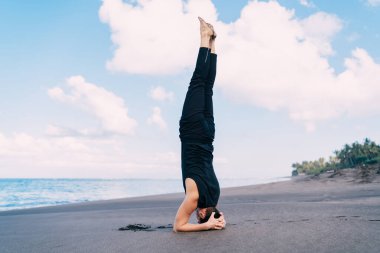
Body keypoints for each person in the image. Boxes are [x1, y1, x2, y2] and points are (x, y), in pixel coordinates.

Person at [173, 17, 226, 232]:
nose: (194, 213)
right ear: (202, 213)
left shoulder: (215, 193)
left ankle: (212, 43)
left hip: (208, 134)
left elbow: (217, 213)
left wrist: (217, 219)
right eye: (198, 216)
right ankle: (205, 37)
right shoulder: (194, 198)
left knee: (207, 87)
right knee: (198, 82)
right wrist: (205, 226)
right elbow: (178, 227)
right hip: (192, 130)